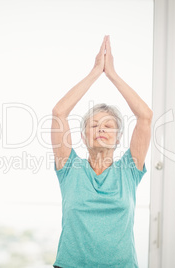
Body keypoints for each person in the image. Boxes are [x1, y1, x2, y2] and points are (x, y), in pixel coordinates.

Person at [50, 35, 153, 268]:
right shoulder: (69, 168)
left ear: (118, 139)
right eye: (94, 125)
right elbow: (59, 112)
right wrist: (96, 72)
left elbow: (145, 116)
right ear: (84, 136)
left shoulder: (129, 170)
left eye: (108, 126)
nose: (100, 129)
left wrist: (112, 74)